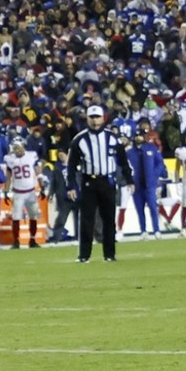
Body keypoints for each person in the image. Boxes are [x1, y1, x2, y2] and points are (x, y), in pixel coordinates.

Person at [66, 105, 133, 262]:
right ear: (87, 119)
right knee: (87, 220)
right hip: (89, 182)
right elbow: (71, 165)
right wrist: (71, 186)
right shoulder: (79, 139)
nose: (95, 120)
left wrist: (129, 179)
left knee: (109, 219)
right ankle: (84, 255)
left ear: (103, 118)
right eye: (92, 117)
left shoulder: (112, 138)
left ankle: (109, 254)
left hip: (108, 181)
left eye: (97, 117)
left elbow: (123, 161)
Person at [4, 137, 42, 248]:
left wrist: (42, 186)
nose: (17, 150)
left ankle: (33, 240)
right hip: (18, 192)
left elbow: (38, 172)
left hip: (30, 191)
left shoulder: (31, 156)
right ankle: (16, 241)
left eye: (18, 147)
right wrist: (6, 190)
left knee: (33, 216)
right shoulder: (10, 159)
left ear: (23, 146)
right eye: (15, 148)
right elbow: (8, 177)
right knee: (16, 217)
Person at [130, 129, 167, 240]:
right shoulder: (130, 152)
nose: (138, 138)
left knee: (153, 208)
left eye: (140, 136)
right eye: (136, 136)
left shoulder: (152, 148)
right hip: (137, 186)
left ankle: (156, 230)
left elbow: (160, 163)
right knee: (140, 210)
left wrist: (154, 174)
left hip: (150, 185)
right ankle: (143, 231)